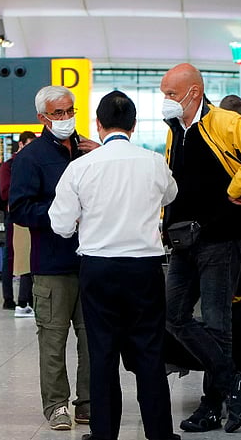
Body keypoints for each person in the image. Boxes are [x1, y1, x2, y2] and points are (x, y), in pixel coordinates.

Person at [160, 63, 241, 434]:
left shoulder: (224, 123)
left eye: (170, 93)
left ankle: (212, 406)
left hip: (222, 240)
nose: (165, 100)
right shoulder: (175, 131)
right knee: (173, 315)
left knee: (217, 323)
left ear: (193, 93)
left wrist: (236, 189)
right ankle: (235, 382)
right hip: (185, 241)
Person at [50, 91, 180, 440]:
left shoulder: (80, 167)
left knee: (102, 353)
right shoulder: (153, 162)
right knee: (151, 354)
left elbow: (60, 225)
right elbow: (170, 195)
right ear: (134, 125)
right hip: (145, 269)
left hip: (99, 269)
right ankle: (160, 435)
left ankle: (104, 434)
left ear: (98, 124)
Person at [9, 85, 100, 430]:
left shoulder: (89, 151)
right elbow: (19, 208)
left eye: (69, 111)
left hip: (91, 259)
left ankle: (88, 402)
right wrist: (63, 213)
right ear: (42, 118)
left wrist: (102, 153)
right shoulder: (30, 159)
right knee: (53, 338)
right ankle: (57, 405)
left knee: (93, 338)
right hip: (51, 264)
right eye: (58, 113)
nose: (65, 119)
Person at [0, 131, 37, 316]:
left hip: (29, 214)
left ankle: (26, 299)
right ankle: (9, 299)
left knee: (26, 256)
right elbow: (5, 193)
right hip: (14, 216)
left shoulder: (33, 164)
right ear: (20, 145)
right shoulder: (8, 166)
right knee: (12, 257)